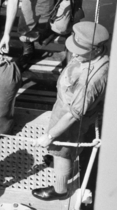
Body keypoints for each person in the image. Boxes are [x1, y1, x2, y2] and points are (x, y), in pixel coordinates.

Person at [32, 21, 110, 200]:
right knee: (61, 150)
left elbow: (73, 115)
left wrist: (49, 136)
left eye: (79, 51)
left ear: (96, 50)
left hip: (70, 122)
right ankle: (58, 158)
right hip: (63, 109)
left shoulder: (90, 82)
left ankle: (60, 190)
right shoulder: (94, 55)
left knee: (63, 152)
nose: (74, 53)